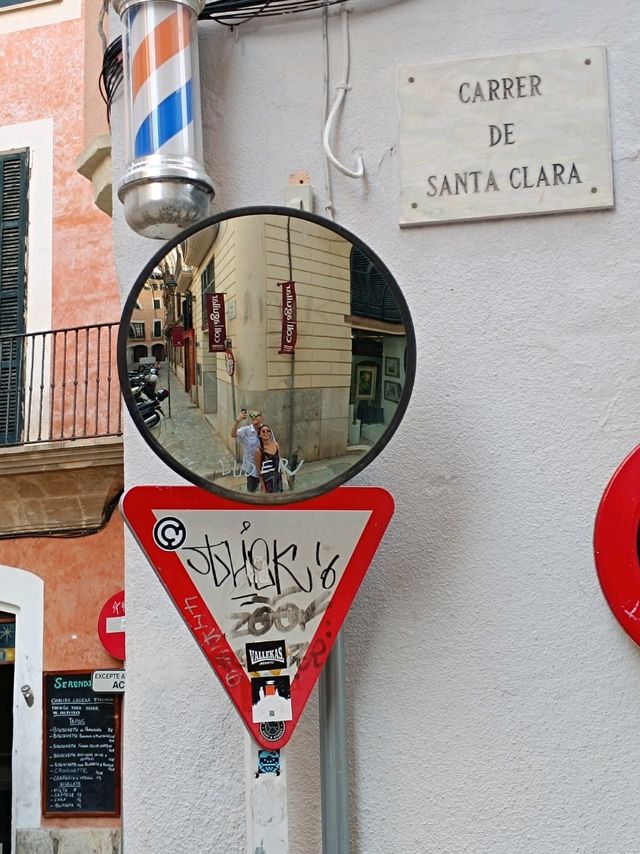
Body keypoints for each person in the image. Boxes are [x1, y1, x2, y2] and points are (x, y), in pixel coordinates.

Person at [231, 409, 264, 492]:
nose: (253, 417)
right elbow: (233, 435)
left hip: (264, 466)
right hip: (251, 467)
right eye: (251, 416)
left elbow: (273, 444)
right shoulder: (246, 430)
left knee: (265, 489)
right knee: (252, 490)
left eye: (256, 415)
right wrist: (237, 421)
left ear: (261, 418)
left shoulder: (266, 430)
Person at [255, 424, 283, 493]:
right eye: (263, 431)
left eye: (268, 431)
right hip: (267, 481)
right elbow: (258, 469)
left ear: (270, 434)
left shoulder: (276, 445)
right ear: (259, 435)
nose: (266, 433)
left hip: (278, 478)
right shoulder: (259, 450)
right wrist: (262, 483)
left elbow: (279, 462)